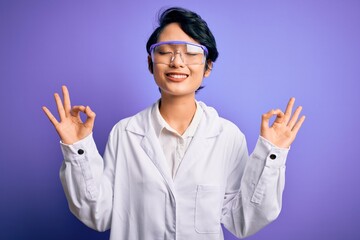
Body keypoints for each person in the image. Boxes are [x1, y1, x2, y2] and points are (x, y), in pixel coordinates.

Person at [42, 7, 305, 240]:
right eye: (165, 52)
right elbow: (98, 214)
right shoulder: (125, 133)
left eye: (191, 53)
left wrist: (272, 153)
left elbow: (242, 221)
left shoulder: (227, 136)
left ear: (208, 66)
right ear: (150, 63)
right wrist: (78, 149)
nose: (177, 62)